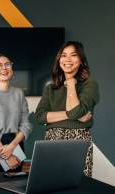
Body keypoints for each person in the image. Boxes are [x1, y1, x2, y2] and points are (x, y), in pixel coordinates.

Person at [35, 41, 100, 177]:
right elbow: (40, 117)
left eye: (73, 55)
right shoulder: (50, 88)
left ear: (81, 60)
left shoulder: (90, 85)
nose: (67, 59)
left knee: (78, 187)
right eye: (63, 55)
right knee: (50, 184)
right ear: (59, 60)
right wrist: (73, 115)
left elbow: (75, 111)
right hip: (52, 142)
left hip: (78, 142)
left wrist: (70, 83)